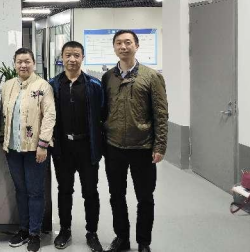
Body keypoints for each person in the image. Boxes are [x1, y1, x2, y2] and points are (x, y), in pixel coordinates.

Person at [102, 30, 168, 252]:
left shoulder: (151, 77)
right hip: (114, 147)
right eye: (119, 43)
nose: (123, 46)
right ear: (114, 47)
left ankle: (143, 242)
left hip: (143, 147)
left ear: (136, 46)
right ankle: (122, 238)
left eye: (128, 42)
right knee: (116, 196)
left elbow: (161, 113)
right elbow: (104, 111)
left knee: (145, 198)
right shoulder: (108, 77)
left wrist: (160, 145)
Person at [49, 41, 105, 252]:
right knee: (64, 190)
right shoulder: (53, 85)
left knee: (90, 191)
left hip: (87, 147)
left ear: (83, 57)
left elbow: (103, 114)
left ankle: (92, 232)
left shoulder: (94, 85)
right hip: (63, 147)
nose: (72, 59)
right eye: (68, 55)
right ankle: (65, 230)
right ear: (62, 58)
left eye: (76, 55)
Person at [1, 47, 56, 252]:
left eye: (27, 61)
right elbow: (3, 114)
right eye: (19, 62)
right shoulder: (7, 86)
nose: (23, 65)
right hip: (13, 149)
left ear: (34, 63)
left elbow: (49, 116)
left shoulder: (43, 86)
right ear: (15, 64)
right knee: (21, 190)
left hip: (35, 149)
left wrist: (43, 144)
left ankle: (34, 233)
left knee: (35, 192)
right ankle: (23, 229)